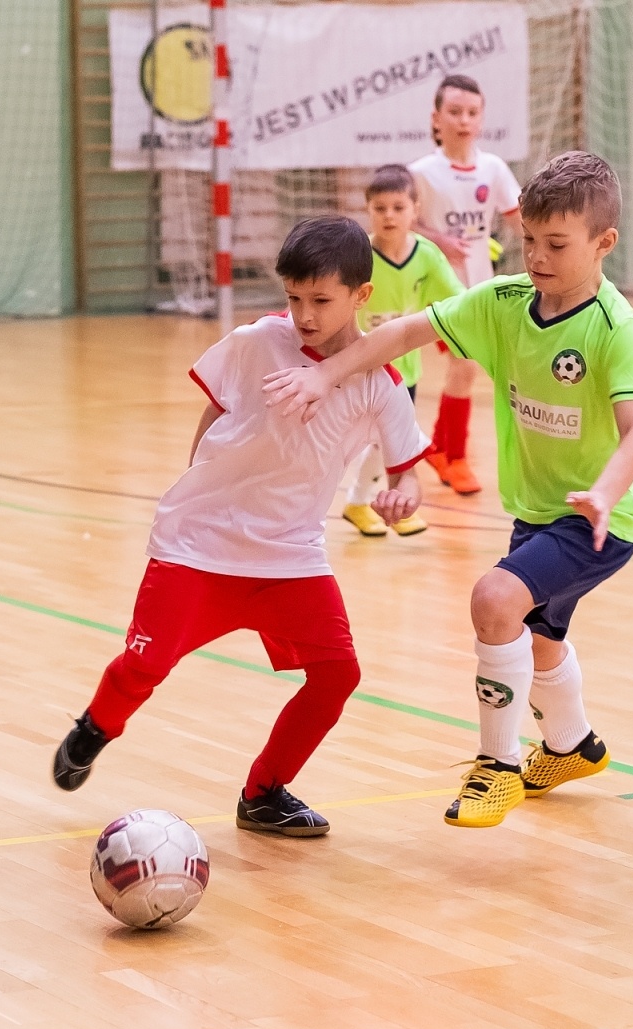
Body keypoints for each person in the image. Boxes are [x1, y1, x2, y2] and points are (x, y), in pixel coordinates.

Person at [263, 152, 633, 829]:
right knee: (538, 638)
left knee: (494, 599)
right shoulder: (505, 303)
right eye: (529, 240)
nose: (535, 255)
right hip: (537, 510)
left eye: (556, 245)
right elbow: (404, 333)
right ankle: (572, 747)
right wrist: (326, 376)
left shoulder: (614, 328)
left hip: (599, 518)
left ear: (604, 244)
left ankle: (497, 768)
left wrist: (603, 490)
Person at [53, 216, 429, 836]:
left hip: (289, 558)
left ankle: (264, 792)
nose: (303, 314)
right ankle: (96, 726)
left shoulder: (381, 384)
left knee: (339, 674)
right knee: (143, 668)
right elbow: (215, 405)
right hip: (198, 546)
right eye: (293, 298)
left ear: (362, 296)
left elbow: (407, 473)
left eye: (321, 300)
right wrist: (203, 484)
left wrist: (401, 495)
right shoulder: (258, 340)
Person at [408, 73, 523, 497]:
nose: (464, 120)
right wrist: (437, 239)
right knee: (465, 365)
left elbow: (518, 217)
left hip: (481, 285)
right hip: (435, 285)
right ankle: (451, 456)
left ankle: (442, 450)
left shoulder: (493, 168)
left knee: (466, 368)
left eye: (472, 112)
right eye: (454, 111)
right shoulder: (420, 173)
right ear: (436, 118)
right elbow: (401, 223)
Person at [343, 164, 465, 538]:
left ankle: (367, 502)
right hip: (358, 364)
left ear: (415, 209)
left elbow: (457, 301)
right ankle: (370, 501)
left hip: (402, 370)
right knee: (371, 440)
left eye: (398, 207)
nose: (389, 216)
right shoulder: (357, 254)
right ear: (368, 210)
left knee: (389, 440)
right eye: (380, 208)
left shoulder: (426, 255)